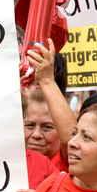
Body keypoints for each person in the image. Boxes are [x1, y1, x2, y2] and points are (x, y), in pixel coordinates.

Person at [21, 39, 77, 172]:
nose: (36, 135)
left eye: (47, 127)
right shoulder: (10, 155)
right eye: (29, 125)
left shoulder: (69, 160)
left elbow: (71, 139)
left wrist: (47, 80)